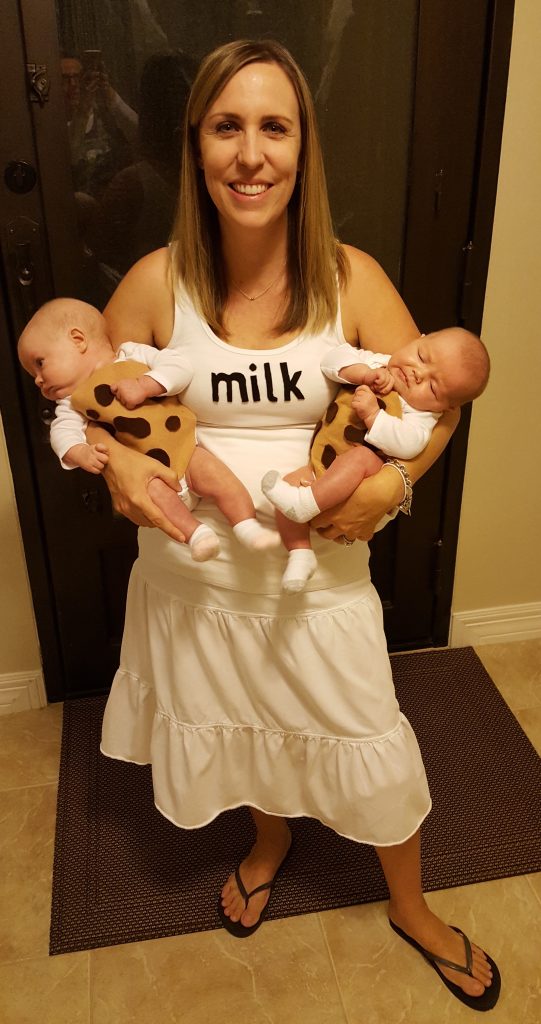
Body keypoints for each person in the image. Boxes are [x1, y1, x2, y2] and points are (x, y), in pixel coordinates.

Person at [87, 40, 500, 1011]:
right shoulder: (154, 280)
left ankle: (410, 904)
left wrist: (390, 491)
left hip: (316, 590)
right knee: (245, 733)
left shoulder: (348, 277)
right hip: (195, 583)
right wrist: (118, 472)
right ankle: (268, 837)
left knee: (369, 734)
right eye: (227, 126)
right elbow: (92, 403)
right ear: (195, 146)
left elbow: (436, 403)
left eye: (274, 126)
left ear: (304, 149)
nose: (250, 152)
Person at [18, 298, 279, 561]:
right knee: (156, 495)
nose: (38, 380)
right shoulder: (72, 403)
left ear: (78, 340)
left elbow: (179, 366)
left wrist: (146, 384)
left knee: (219, 477)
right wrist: (78, 453)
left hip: (187, 451)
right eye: (32, 375)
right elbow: (62, 432)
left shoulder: (132, 354)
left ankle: (246, 526)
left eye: (39, 363)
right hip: (151, 473)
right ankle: (197, 535)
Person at [261, 327, 490, 591]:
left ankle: (306, 505)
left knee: (360, 457)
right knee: (289, 486)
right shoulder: (379, 363)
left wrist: (373, 417)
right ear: (419, 339)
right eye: (422, 357)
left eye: (432, 386)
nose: (417, 373)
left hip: (361, 481)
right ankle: (300, 553)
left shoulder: (421, 414)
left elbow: (410, 444)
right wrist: (363, 373)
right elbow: (332, 360)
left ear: (446, 407)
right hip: (323, 470)